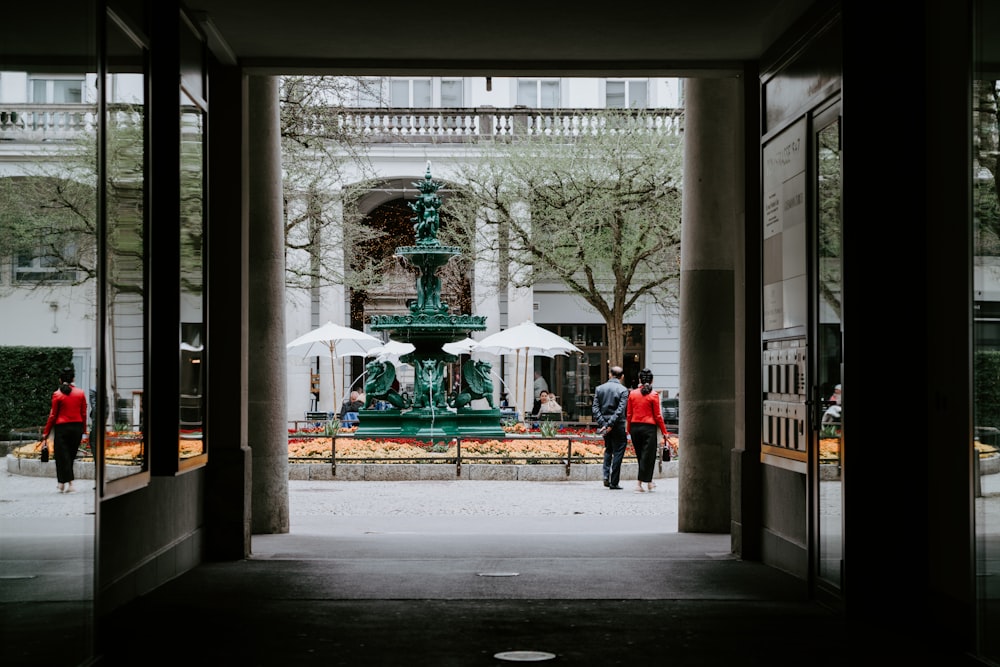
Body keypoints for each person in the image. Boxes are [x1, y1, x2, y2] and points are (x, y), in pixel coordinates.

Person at [42, 366, 87, 494]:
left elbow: (52, 415)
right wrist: (84, 430)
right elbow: (83, 413)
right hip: (77, 427)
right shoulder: (80, 393)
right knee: (70, 457)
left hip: (62, 428)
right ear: (73, 379)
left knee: (62, 457)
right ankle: (62, 483)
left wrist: (46, 432)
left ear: (60, 380)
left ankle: (68, 484)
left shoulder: (57, 394)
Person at [626, 368, 669, 493]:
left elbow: (629, 414)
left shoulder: (632, 394)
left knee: (641, 456)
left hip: (635, 427)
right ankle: (639, 484)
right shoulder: (654, 395)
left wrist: (628, 429)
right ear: (652, 380)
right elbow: (658, 416)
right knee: (648, 456)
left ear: (640, 379)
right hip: (649, 428)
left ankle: (649, 482)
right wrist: (664, 431)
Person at [592, 365, 630, 490]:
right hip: (617, 425)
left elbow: (595, 408)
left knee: (608, 449)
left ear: (610, 374)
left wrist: (604, 424)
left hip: (605, 424)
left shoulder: (599, 389)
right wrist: (610, 424)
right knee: (619, 451)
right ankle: (614, 481)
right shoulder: (623, 390)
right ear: (622, 376)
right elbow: (620, 410)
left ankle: (605, 476)